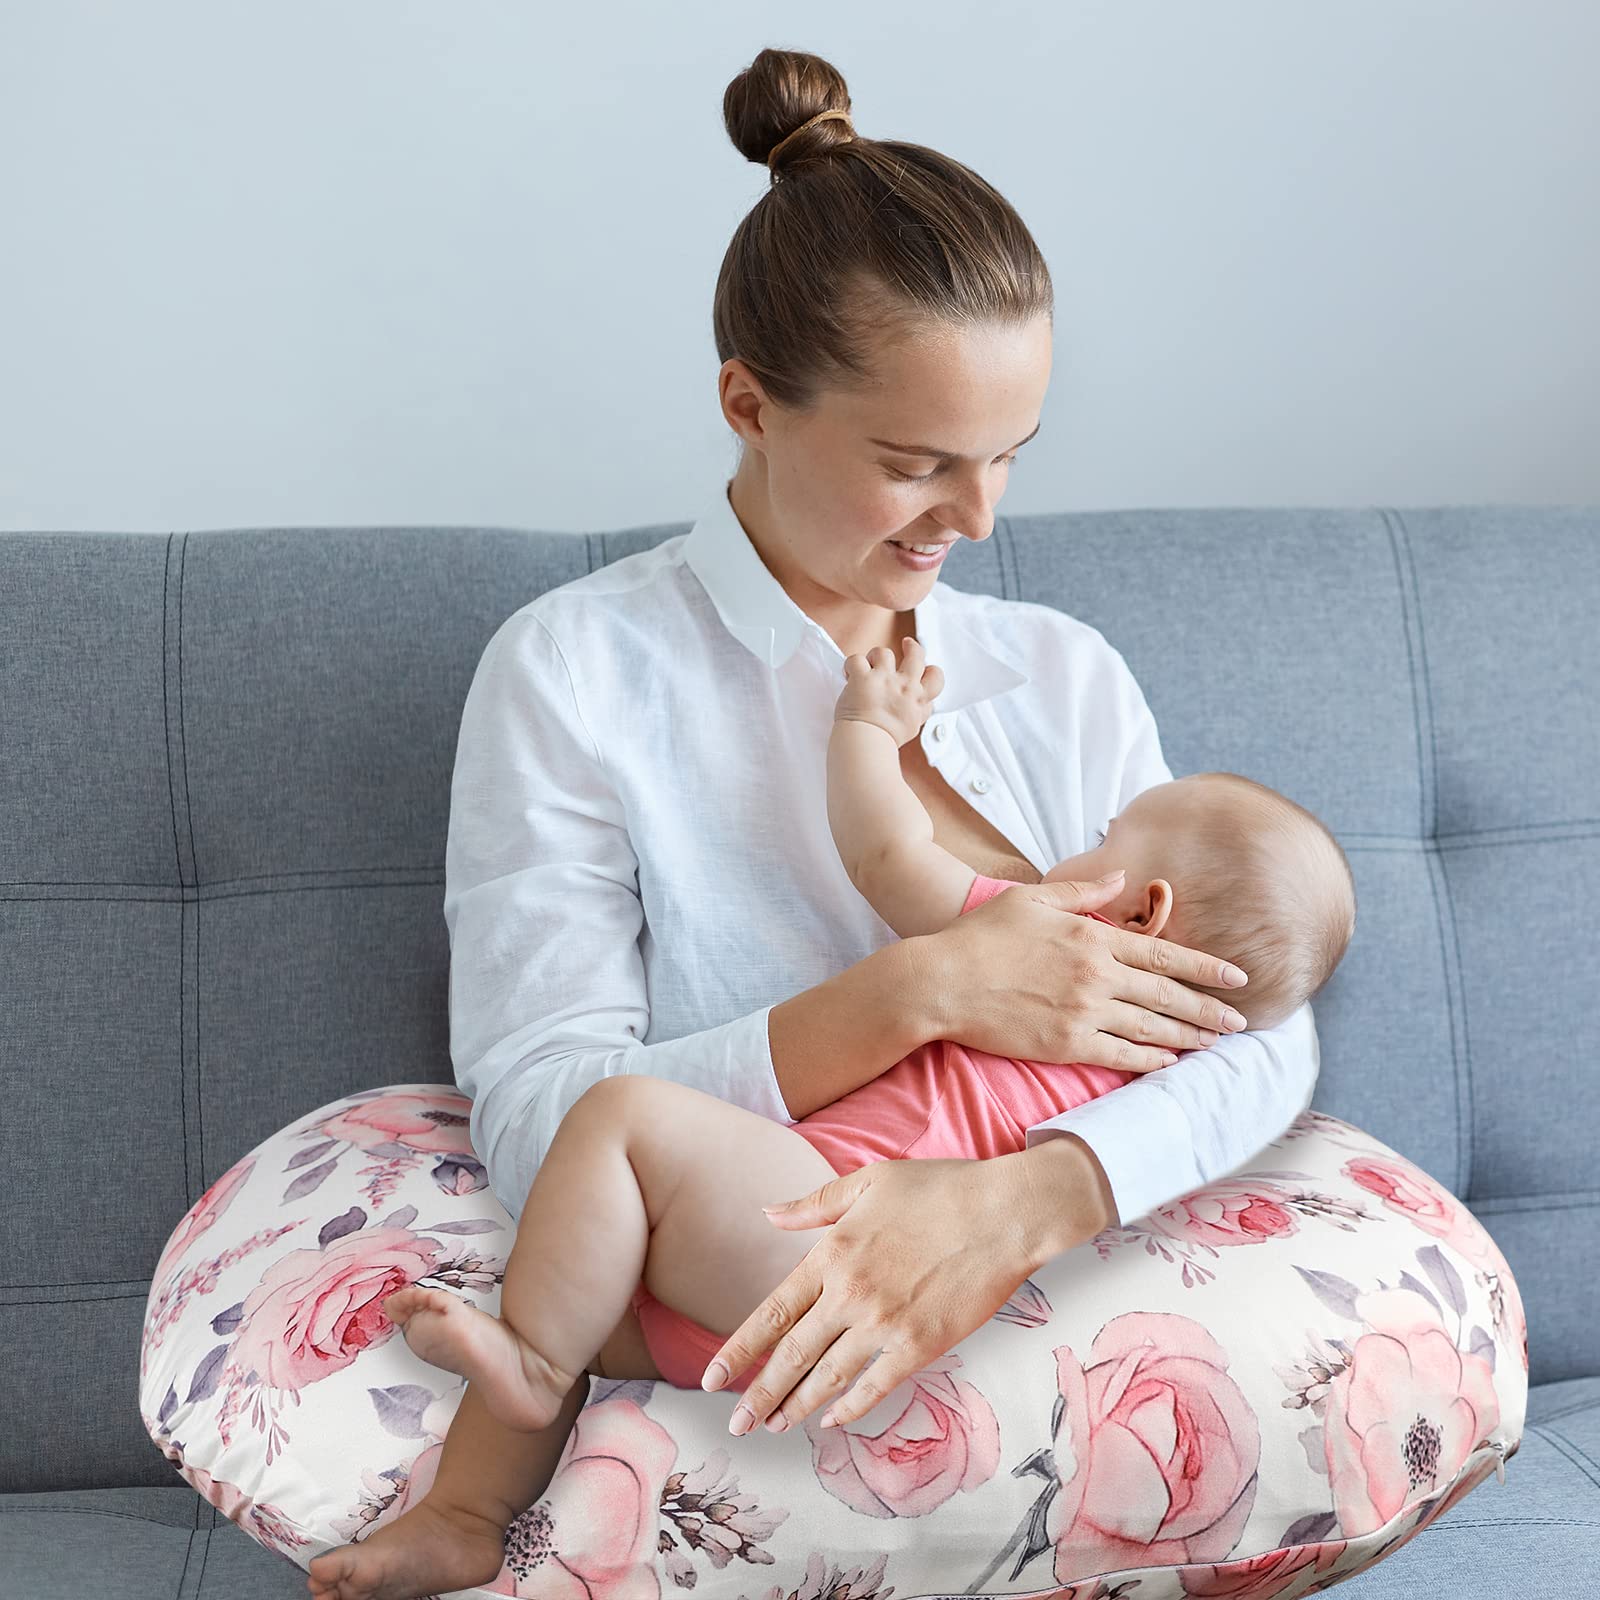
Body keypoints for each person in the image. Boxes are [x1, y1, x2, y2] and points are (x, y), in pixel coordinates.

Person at [307, 44, 1323, 1600]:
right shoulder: (574, 676)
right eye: (918, 464)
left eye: (1006, 459)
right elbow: (540, 1111)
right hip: (725, 1267)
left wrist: (1016, 1201)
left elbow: (1260, 1031)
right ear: (748, 404)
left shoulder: (1060, 676)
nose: (977, 521)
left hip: (1013, 1297)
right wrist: (915, 993)